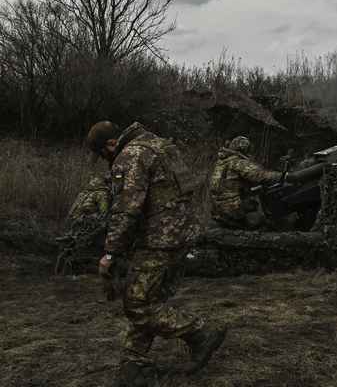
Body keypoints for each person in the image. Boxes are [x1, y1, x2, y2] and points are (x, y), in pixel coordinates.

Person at [85, 120, 227, 386]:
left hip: (159, 240)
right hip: (182, 235)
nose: (105, 160)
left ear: (111, 144)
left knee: (138, 305)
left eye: (103, 155)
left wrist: (110, 253)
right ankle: (133, 363)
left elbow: (127, 209)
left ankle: (201, 332)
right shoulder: (161, 146)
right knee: (150, 298)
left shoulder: (131, 155)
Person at [209, 135, 314, 229]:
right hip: (233, 208)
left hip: (218, 208)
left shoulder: (222, 163)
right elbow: (260, 176)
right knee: (271, 220)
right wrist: (284, 176)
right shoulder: (237, 162)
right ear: (244, 149)